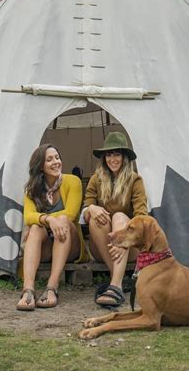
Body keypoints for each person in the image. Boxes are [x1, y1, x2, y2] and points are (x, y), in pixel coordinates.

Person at [16, 143, 86, 311]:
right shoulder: (31, 190)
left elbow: (72, 214)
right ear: (40, 166)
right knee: (35, 228)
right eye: (49, 159)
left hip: (71, 245)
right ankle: (28, 290)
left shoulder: (72, 181)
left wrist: (46, 219)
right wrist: (47, 220)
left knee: (62, 220)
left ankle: (52, 288)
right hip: (47, 247)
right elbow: (27, 217)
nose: (56, 162)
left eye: (57, 157)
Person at [82, 131, 148, 307]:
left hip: (129, 247)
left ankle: (115, 284)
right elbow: (84, 212)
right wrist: (92, 208)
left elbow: (142, 217)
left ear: (125, 157)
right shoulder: (96, 179)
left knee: (119, 217)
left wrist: (124, 238)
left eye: (116, 154)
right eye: (109, 154)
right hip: (101, 246)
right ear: (104, 158)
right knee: (96, 217)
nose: (113, 159)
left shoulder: (135, 180)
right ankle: (117, 280)